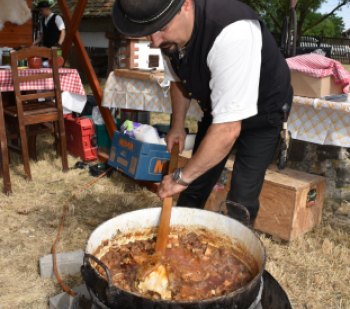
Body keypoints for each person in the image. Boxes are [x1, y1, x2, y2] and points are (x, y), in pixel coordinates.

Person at [112, 0, 294, 225]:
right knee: (194, 185)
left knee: (241, 196)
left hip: (264, 112)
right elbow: (178, 80)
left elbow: (227, 130)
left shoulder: (232, 31)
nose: (155, 41)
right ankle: (179, 243)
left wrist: (180, 177)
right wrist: (177, 125)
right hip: (219, 110)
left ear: (186, 5)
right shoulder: (170, 37)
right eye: (150, 32)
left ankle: (232, 255)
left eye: (162, 28)